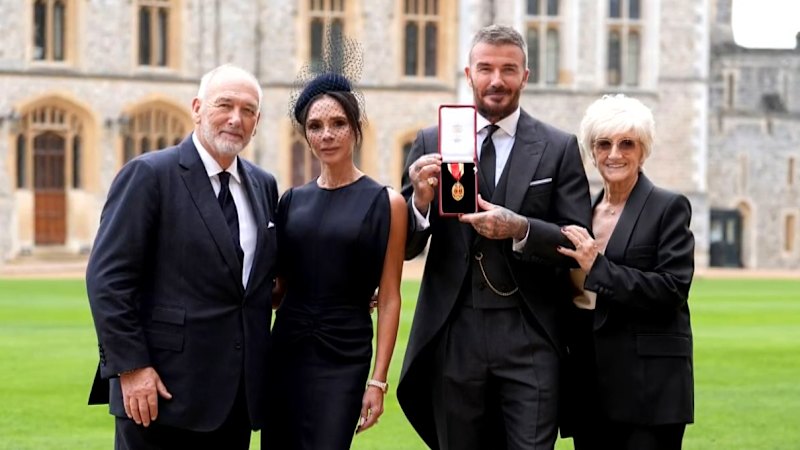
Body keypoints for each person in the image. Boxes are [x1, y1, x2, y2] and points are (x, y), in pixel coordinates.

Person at [397, 24, 592, 450]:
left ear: (526, 75)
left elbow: (578, 245)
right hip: (455, 331)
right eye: (486, 68)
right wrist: (421, 203)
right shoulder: (432, 141)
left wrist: (520, 228)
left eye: (508, 69)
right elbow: (408, 246)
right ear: (469, 74)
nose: (496, 80)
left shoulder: (559, 148)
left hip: (531, 334)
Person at [86, 64, 279, 449]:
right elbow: (107, 279)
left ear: (257, 123)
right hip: (159, 394)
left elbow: (261, 281)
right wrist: (132, 367)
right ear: (197, 108)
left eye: (248, 110)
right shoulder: (149, 174)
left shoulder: (263, 185)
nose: (235, 119)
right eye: (224, 105)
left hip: (236, 399)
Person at [264, 71, 406, 449]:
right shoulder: (290, 202)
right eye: (315, 126)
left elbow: (390, 296)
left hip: (345, 355)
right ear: (305, 135)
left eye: (338, 123)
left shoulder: (388, 203)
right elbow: (279, 288)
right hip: (287, 350)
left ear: (356, 129)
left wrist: (378, 380)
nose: (327, 134)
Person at [558, 94, 695, 450]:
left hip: (648, 389)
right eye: (603, 144)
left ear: (643, 151)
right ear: (592, 152)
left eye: (626, 144)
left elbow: (672, 290)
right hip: (589, 387)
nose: (614, 154)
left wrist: (598, 267)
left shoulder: (668, 207)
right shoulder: (581, 214)